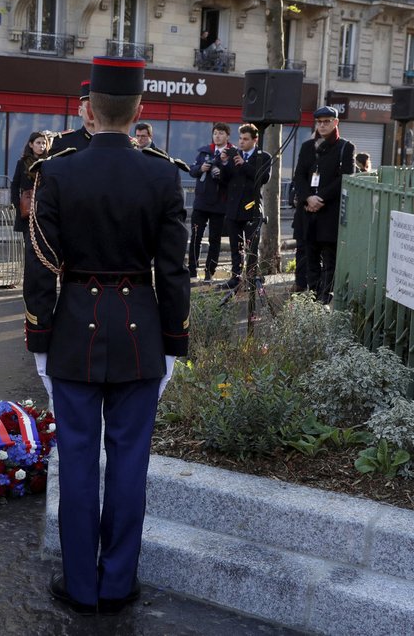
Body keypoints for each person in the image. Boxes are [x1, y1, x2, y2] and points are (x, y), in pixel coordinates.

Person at [23, 55, 190, 615]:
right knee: (129, 463)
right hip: (141, 334)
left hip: (72, 332)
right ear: (139, 109)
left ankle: (80, 584)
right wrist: (175, 341)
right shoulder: (163, 173)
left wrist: (39, 337)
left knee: (75, 460)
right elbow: (172, 271)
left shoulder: (57, 171)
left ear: (89, 110)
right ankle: (117, 583)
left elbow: (42, 264)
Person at [292, 106, 355, 305]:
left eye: (327, 121)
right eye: (319, 122)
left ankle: (325, 298)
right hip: (308, 211)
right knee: (309, 257)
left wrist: (320, 198)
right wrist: (307, 198)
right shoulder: (307, 146)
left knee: (329, 259)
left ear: (336, 123)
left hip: (329, 212)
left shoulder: (346, 147)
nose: (322, 125)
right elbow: (299, 175)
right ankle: (312, 296)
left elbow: (345, 177)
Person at [217, 123, 271, 290]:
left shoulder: (264, 156)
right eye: (240, 138)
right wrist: (224, 164)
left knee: (252, 246)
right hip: (234, 208)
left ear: (255, 140)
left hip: (251, 208)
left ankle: (252, 277)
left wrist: (244, 164)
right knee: (235, 246)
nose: (241, 142)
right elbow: (224, 180)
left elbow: (263, 178)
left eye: (245, 139)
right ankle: (236, 277)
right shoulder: (234, 154)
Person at [187, 122, 231, 281]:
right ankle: (192, 270)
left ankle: (209, 271)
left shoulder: (232, 153)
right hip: (201, 202)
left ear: (227, 136)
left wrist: (222, 171)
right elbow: (191, 170)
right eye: (215, 133)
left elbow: (234, 176)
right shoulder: (204, 152)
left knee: (214, 239)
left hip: (220, 203)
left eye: (220, 133)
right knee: (196, 237)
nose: (217, 136)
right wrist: (201, 169)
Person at [50, 81, 93, 154]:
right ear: (80, 111)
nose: (93, 111)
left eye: (98, 107)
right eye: (89, 106)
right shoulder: (63, 143)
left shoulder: (115, 143)